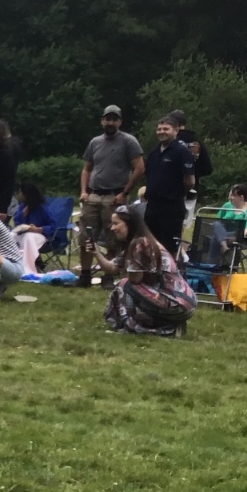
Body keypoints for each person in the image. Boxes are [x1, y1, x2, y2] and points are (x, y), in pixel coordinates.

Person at [103, 205, 196, 335]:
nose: (112, 228)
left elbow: (135, 279)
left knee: (124, 285)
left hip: (175, 302)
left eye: (116, 223)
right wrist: (95, 253)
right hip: (186, 301)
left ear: (129, 224)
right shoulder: (143, 241)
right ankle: (169, 326)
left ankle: (133, 328)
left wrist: (127, 269)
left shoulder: (140, 243)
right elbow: (111, 267)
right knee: (130, 286)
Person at [78, 105, 145, 285]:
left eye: (114, 119)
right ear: (102, 121)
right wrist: (83, 191)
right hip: (93, 195)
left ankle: (109, 275)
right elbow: (86, 169)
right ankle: (85, 275)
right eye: (108, 119)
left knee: (113, 238)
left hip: (114, 196)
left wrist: (125, 192)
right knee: (86, 236)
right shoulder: (95, 142)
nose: (110, 122)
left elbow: (139, 168)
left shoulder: (129, 141)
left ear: (120, 122)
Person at [140, 115, 195, 254]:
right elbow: (149, 176)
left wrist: (177, 193)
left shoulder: (182, 152)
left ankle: (169, 269)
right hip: (152, 206)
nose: (161, 132)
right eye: (159, 129)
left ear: (176, 130)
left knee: (168, 247)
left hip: (171, 206)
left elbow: (190, 181)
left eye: (166, 129)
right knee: (149, 244)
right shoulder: (153, 153)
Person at [12, 182, 58, 275]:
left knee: (29, 237)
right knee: (11, 235)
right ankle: (12, 265)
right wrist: (23, 214)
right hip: (24, 233)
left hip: (41, 235)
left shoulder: (43, 208)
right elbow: (16, 222)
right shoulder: (23, 206)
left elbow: (53, 226)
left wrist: (39, 229)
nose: (20, 195)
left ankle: (27, 267)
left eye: (21, 193)